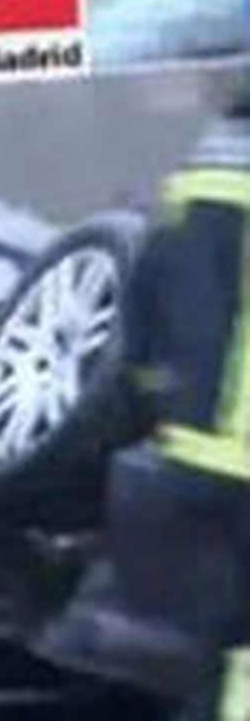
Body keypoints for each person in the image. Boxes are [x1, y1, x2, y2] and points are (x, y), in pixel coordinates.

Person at [114, 73, 250, 719]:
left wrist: (155, 404)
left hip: (183, 457)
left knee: (208, 641)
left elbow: (136, 312)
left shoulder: (187, 186)